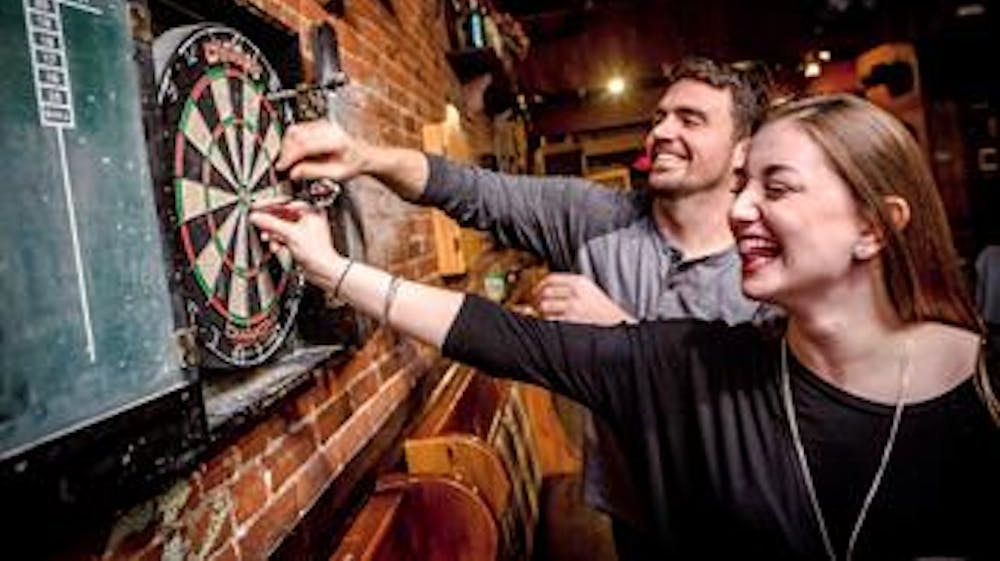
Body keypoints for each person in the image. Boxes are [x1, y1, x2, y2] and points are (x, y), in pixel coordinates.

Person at [252, 93, 1000, 559]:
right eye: (747, 189)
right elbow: (502, 329)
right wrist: (331, 264)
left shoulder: (991, 386)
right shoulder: (687, 359)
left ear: (875, 226)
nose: (744, 210)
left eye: (775, 187)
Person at [270, 57, 772, 558]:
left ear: (742, 152)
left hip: (739, 522)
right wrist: (364, 158)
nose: (662, 131)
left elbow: (759, 409)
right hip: (634, 511)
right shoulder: (598, 217)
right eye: (660, 116)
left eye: (690, 119)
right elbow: (471, 190)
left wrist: (619, 328)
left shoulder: (768, 268)